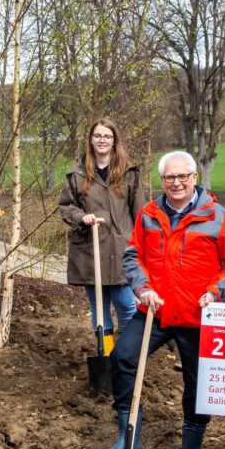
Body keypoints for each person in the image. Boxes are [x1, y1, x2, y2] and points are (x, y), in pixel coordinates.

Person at [96, 151, 225, 449]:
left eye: (182, 177)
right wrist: (143, 288)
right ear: (162, 181)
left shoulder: (217, 216)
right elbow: (133, 255)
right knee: (123, 357)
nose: (176, 183)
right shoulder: (150, 214)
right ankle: (128, 433)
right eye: (169, 178)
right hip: (157, 309)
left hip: (198, 314)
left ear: (195, 178)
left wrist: (216, 292)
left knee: (198, 384)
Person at [57, 118, 146, 352]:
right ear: (91, 140)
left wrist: (143, 247)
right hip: (90, 247)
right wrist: (81, 217)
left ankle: (124, 354)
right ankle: (105, 353)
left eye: (107, 136)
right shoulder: (77, 173)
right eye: (97, 136)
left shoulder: (129, 172)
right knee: (99, 307)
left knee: (126, 304)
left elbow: (141, 213)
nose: (102, 140)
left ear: (114, 140)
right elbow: (66, 206)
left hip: (121, 249)